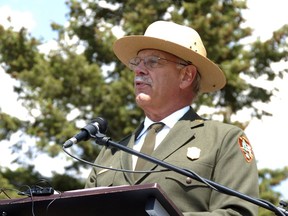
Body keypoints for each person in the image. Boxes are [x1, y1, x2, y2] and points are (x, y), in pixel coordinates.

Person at [85, 20, 259, 215]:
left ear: (186, 75)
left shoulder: (223, 140)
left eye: (152, 61)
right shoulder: (110, 153)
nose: (139, 70)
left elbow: (238, 214)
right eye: (137, 62)